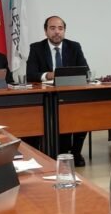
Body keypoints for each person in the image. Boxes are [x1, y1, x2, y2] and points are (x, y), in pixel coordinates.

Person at [26, 16, 90, 165]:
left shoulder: (74, 46)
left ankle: (76, 152)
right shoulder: (36, 48)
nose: (57, 32)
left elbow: (85, 71)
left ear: (64, 31)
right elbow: (31, 74)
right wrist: (48, 75)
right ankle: (55, 151)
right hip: (46, 97)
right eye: (53, 28)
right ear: (45, 31)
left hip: (71, 94)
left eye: (60, 29)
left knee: (84, 112)